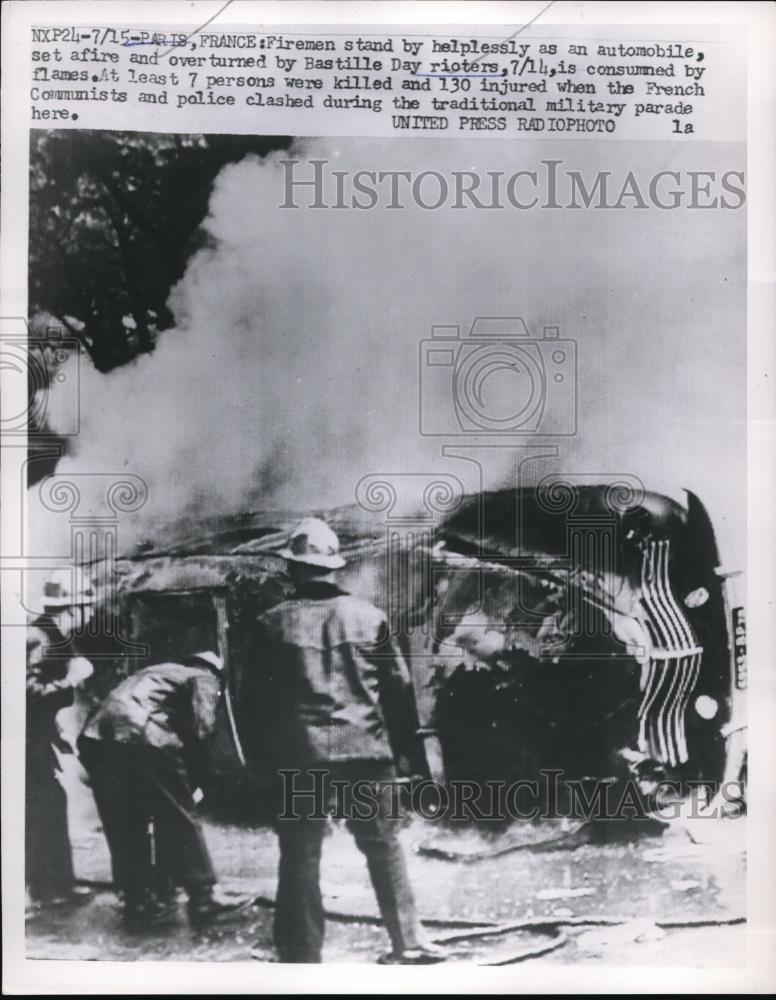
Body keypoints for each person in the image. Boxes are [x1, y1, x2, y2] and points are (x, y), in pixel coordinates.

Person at [249, 518, 446, 964]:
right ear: (333, 568)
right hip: (367, 753)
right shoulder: (370, 617)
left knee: (300, 853)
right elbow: (399, 694)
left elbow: (254, 704)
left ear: (294, 569)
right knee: (383, 846)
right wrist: (408, 762)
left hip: (301, 757)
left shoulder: (269, 625)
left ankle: (301, 957)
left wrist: (262, 765)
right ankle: (409, 943)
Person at [78, 650, 249, 928]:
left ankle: (138, 899)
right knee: (181, 816)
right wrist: (198, 781)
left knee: (123, 820)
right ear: (215, 672)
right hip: (144, 737)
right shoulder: (203, 677)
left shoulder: (157, 670)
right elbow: (201, 729)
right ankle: (203, 896)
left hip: (96, 738)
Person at [26, 568, 96, 910]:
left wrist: (57, 733)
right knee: (44, 805)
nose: (90, 614)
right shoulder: (39, 639)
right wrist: (71, 680)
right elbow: (27, 694)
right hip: (22, 744)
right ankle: (50, 890)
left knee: (46, 803)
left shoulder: (51, 636)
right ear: (72, 608)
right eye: (86, 606)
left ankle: (51, 887)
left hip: (34, 739)